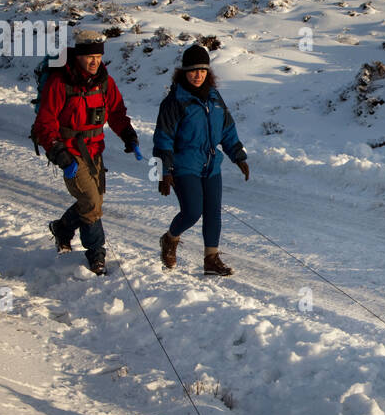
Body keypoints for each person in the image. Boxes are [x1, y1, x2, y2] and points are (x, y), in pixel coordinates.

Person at [35, 29, 141, 275]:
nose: (94, 61)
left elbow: (115, 112)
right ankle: (96, 253)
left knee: (93, 202)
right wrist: (59, 153)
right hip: (70, 151)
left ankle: (62, 228)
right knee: (92, 203)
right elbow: (45, 122)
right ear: (79, 57)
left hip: (95, 151)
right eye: (89, 56)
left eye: (98, 56)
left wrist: (129, 135)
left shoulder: (104, 81)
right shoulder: (61, 82)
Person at [153, 44, 249, 275]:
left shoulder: (215, 98)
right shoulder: (175, 101)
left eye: (203, 71)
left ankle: (211, 259)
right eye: (193, 70)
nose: (198, 75)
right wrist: (163, 171)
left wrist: (238, 156)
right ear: (184, 72)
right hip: (184, 164)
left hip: (211, 165)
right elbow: (163, 139)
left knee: (213, 212)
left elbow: (227, 130)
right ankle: (170, 239)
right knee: (192, 212)